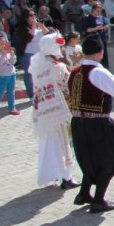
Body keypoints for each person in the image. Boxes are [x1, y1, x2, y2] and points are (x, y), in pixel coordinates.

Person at [68, 34, 114, 212]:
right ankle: (98, 199)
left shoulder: (74, 71)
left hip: (78, 122)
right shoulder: (98, 73)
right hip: (98, 123)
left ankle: (84, 193)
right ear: (101, 52)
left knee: (88, 158)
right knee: (108, 161)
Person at [29, 33, 80, 190]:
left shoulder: (38, 65)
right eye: (60, 46)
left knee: (49, 143)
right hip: (58, 112)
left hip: (44, 111)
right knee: (62, 143)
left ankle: (55, 174)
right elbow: (68, 82)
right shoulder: (56, 67)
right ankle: (66, 177)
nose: (62, 49)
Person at [0, 36, 20, 117]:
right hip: (2, 76)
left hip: (12, 74)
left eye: (4, 43)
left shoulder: (7, 51)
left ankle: (12, 108)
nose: (3, 45)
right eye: (1, 43)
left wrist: (12, 55)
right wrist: (3, 55)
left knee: (11, 92)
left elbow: (13, 62)